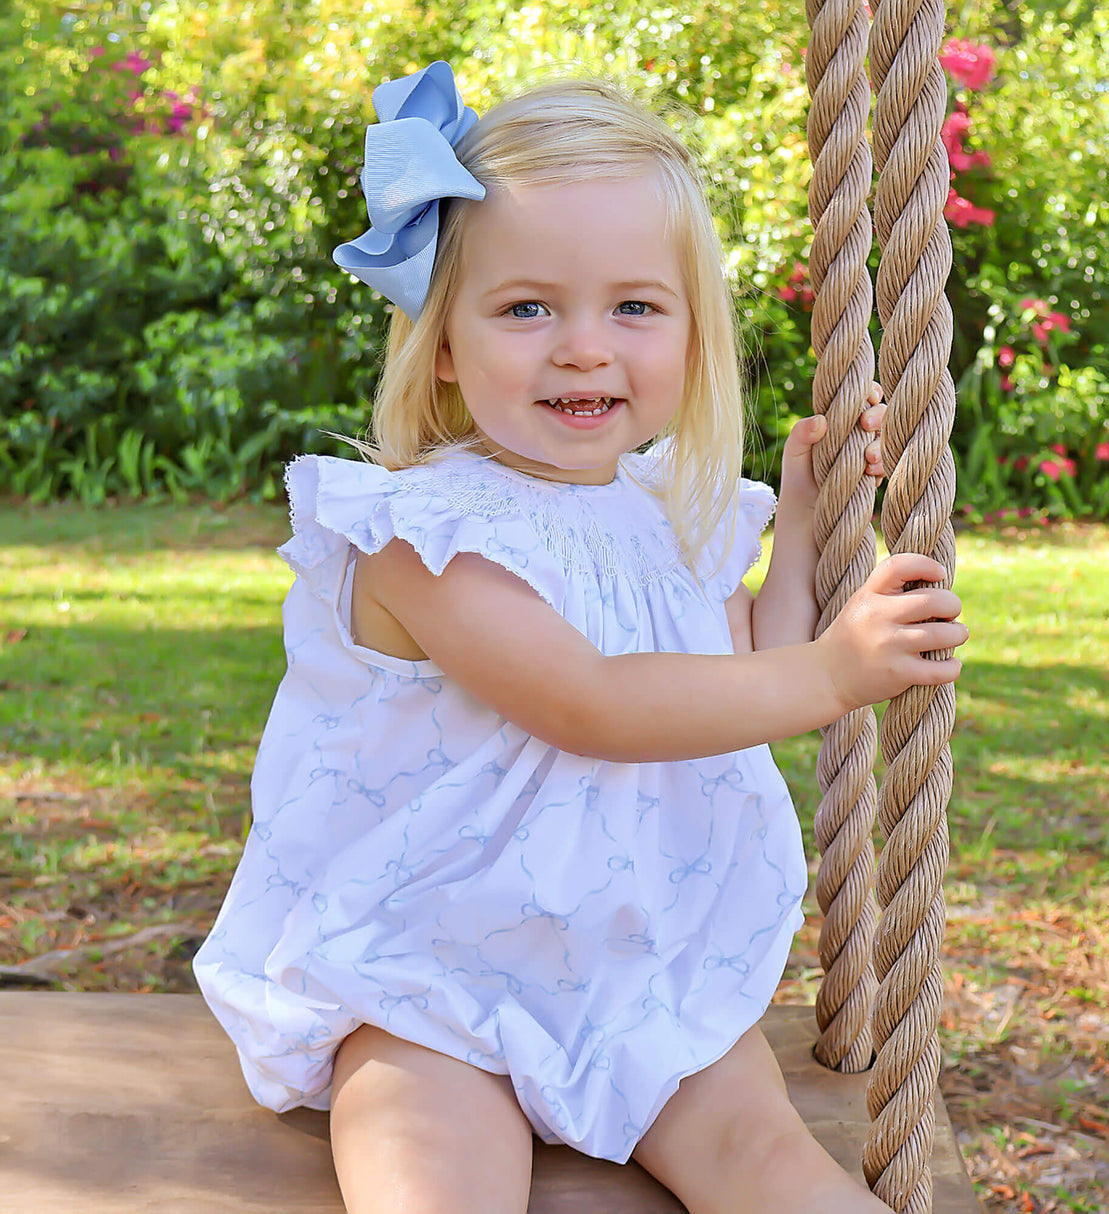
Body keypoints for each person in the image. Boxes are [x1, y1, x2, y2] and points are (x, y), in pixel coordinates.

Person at [193, 61, 967, 1214]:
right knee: (431, 1177)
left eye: (634, 307)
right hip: (432, 978)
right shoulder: (419, 533)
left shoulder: (662, 513)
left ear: (691, 333)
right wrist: (828, 673)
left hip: (637, 971)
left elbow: (735, 663)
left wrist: (802, 517)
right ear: (442, 341)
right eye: (526, 307)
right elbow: (593, 701)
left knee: (768, 1165)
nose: (582, 346)